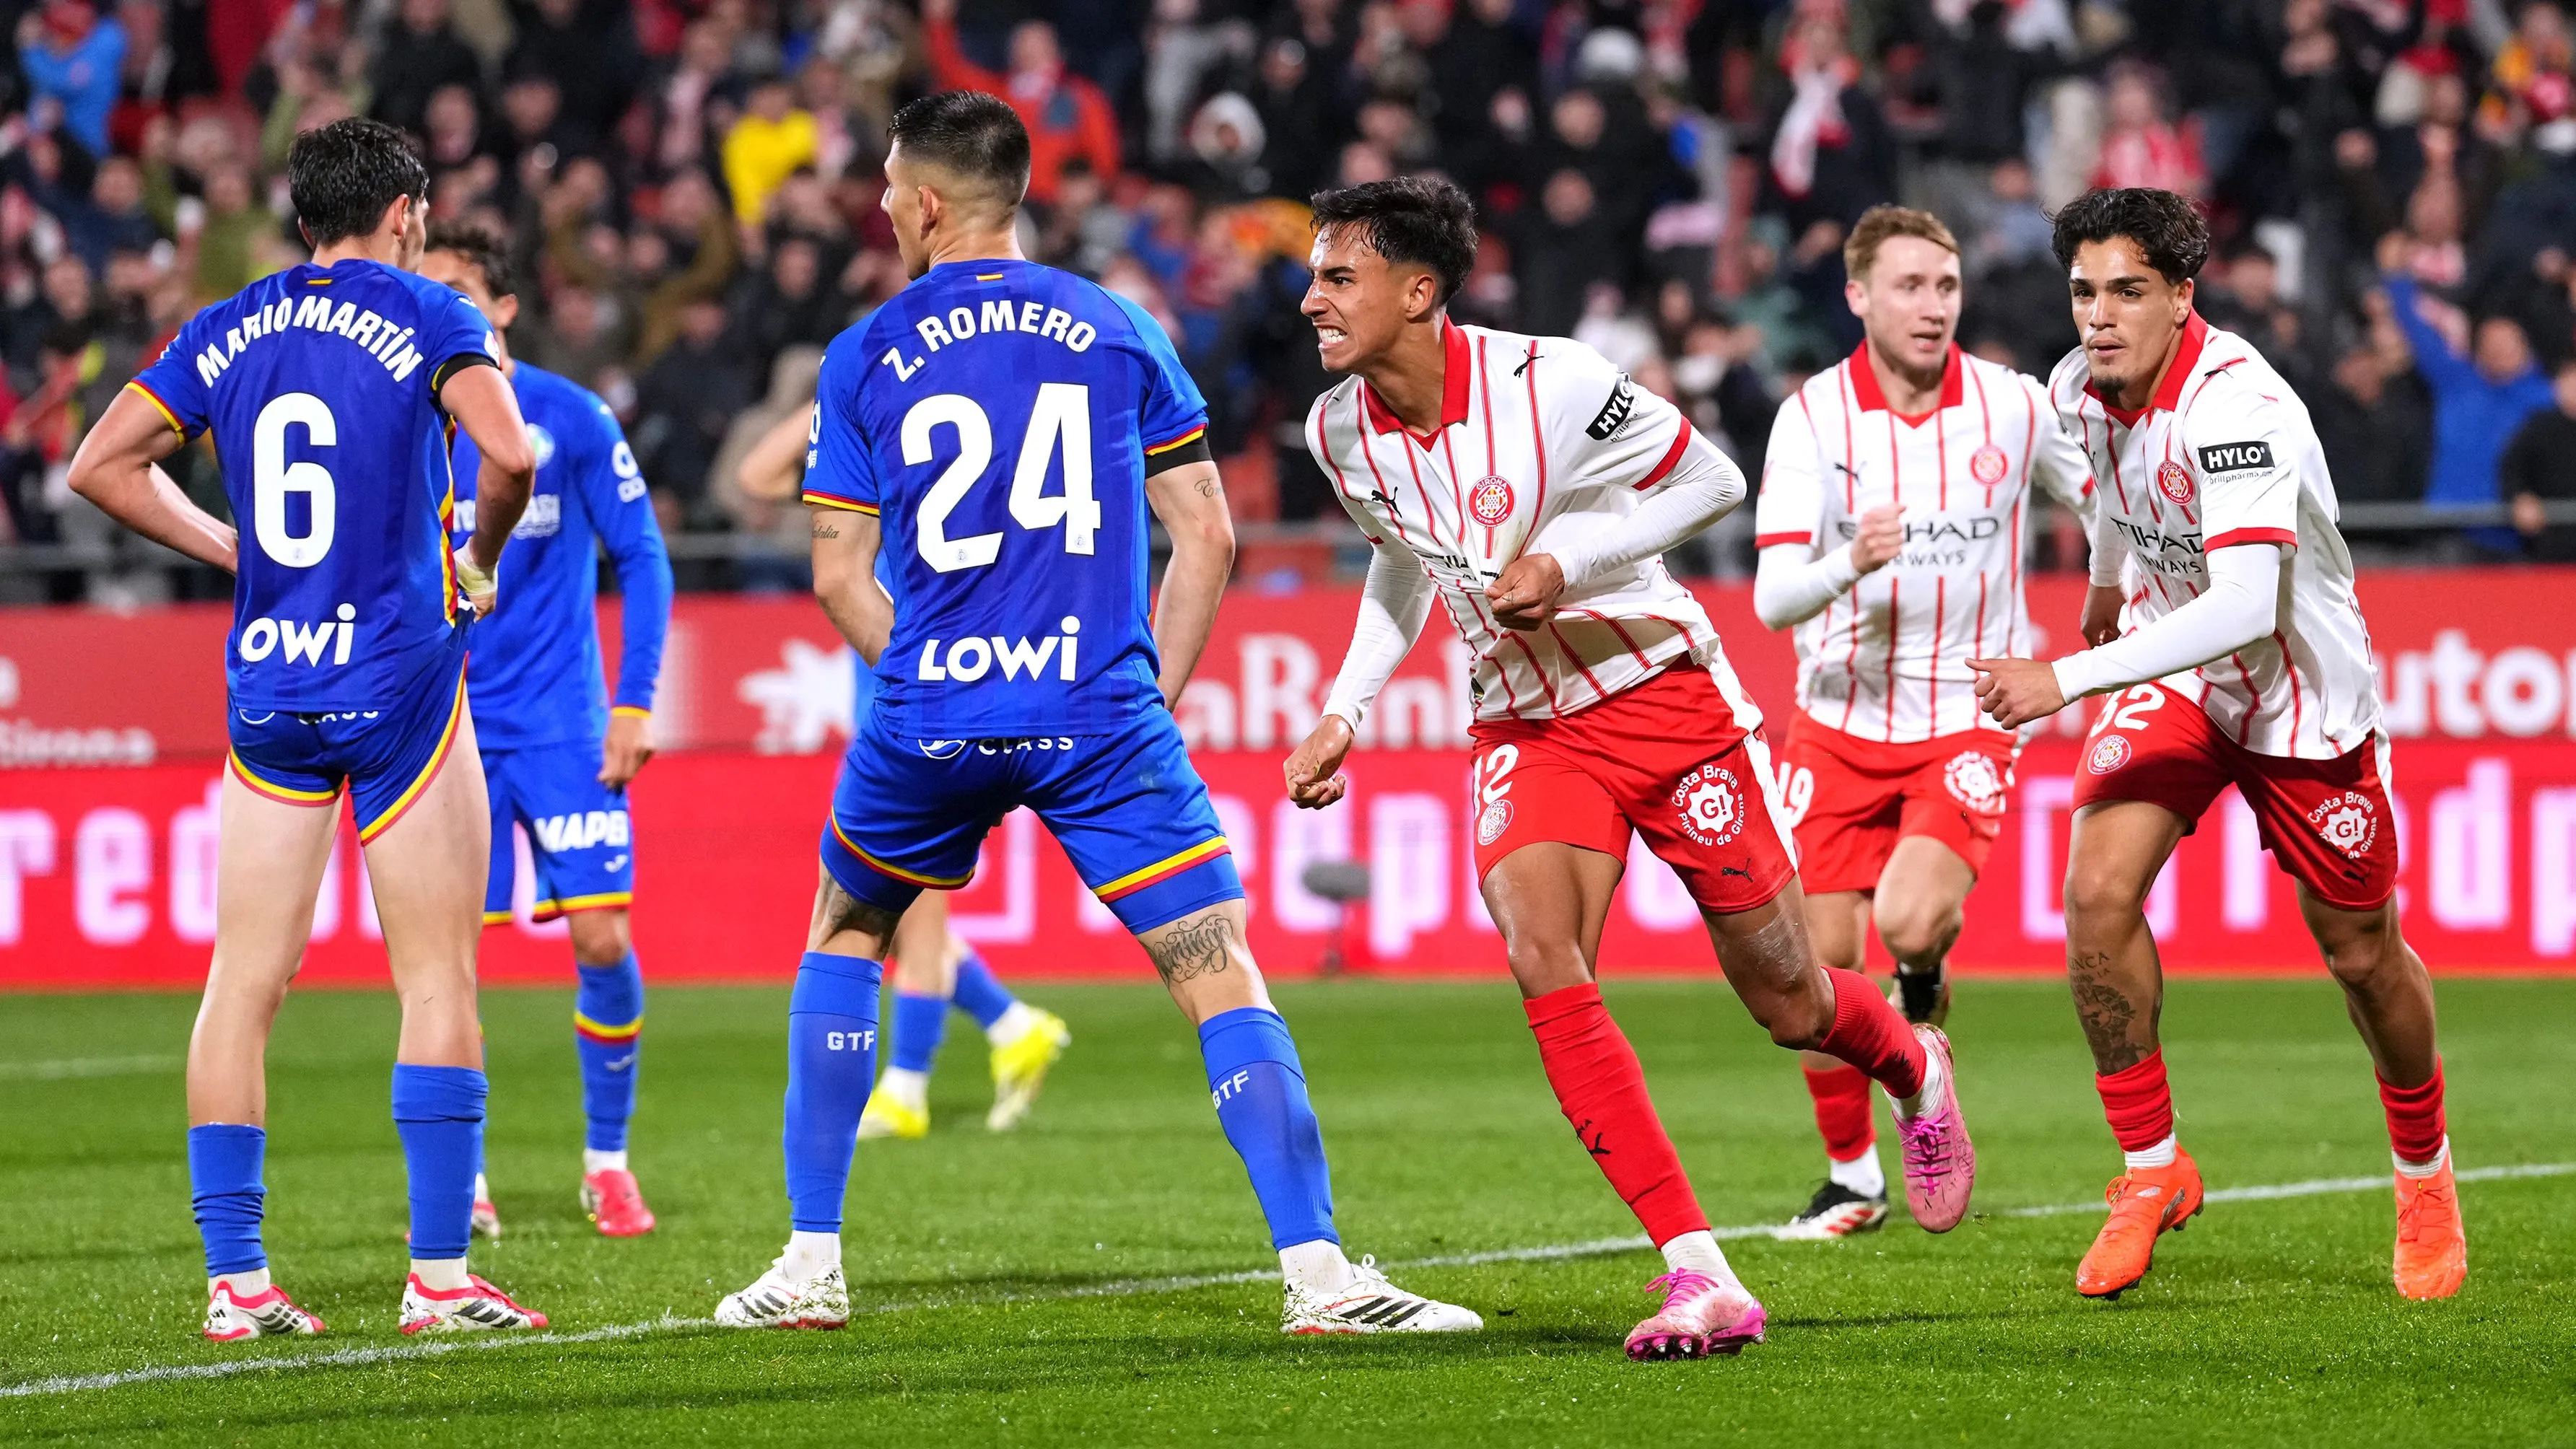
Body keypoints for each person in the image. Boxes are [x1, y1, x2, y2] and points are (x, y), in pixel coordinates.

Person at [713, 92, 1478, 1338]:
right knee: (1215, 967)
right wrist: (1153, 696)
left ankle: (806, 1263)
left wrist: (924, 673)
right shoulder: (1118, 326)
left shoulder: (860, 354)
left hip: (930, 717)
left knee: (845, 933)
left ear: (921, 202)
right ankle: (1320, 1276)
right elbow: (1207, 538)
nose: (882, 209)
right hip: (1098, 715)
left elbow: (836, 574)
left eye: (890, 190)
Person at [1283, 175, 1972, 1362]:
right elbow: (1398, 559)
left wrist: (1565, 557)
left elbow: (1710, 479)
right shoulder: (1335, 428)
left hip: (1661, 698)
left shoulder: (1548, 381)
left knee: (1789, 999)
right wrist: (1345, 705)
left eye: (1336, 276)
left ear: (1417, 288)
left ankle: (1910, 1058)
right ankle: (1694, 1268)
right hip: (1524, 724)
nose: (1309, 301)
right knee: (1539, 949)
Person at [64, 118, 549, 1338]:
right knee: (436, 976)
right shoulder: (431, 313)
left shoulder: (228, 323)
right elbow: (508, 453)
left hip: (271, 685)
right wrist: (477, 563)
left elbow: (99, 465)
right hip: (398, 681)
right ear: (406, 214)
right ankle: (438, 1279)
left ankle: (236, 1279)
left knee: (243, 979)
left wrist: (230, 545)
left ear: (299, 217)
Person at [1969, 187, 2466, 1303]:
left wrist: (2064, 674)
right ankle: (2151, 1168)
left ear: (2182, 296)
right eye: (2084, 292)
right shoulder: (2078, 383)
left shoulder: (2240, 410)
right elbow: (2103, 479)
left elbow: (2246, 605)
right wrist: (2104, 584)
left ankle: (2424, 1171)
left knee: (2360, 956)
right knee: (2094, 895)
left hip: (2298, 696)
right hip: (2176, 668)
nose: (2098, 316)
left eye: (2127, 293)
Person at [1752, 205, 2096, 1239]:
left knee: (1905, 921)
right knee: (1807, 977)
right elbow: (1772, 599)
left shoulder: (2012, 407)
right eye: (1909, 287)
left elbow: (2107, 501)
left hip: (1965, 708)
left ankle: (1922, 1008)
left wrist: (2128, 594)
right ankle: (1853, 1176)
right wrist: (1846, 561)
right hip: (1836, 716)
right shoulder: (1811, 419)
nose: (1932, 307)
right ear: (1857, 296)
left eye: (1945, 288)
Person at [419, 222, 675, 1239]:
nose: (441, 307)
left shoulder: (569, 418)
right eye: (425, 289)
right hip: (448, 737)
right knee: (449, 962)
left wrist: (635, 700)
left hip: (567, 725)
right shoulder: (414, 422)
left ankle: (607, 1162)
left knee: (604, 935)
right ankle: (466, 1180)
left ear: (505, 306)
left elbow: (645, 561)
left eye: (459, 292)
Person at [735, 402, 1075, 1139]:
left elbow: (757, 477)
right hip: (888, 681)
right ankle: (1011, 1025)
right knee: (893, 899)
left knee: (906, 903)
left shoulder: (954, 436)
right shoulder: (880, 430)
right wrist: (836, 399)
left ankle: (908, 1086)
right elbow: (753, 478)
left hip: (939, 682)